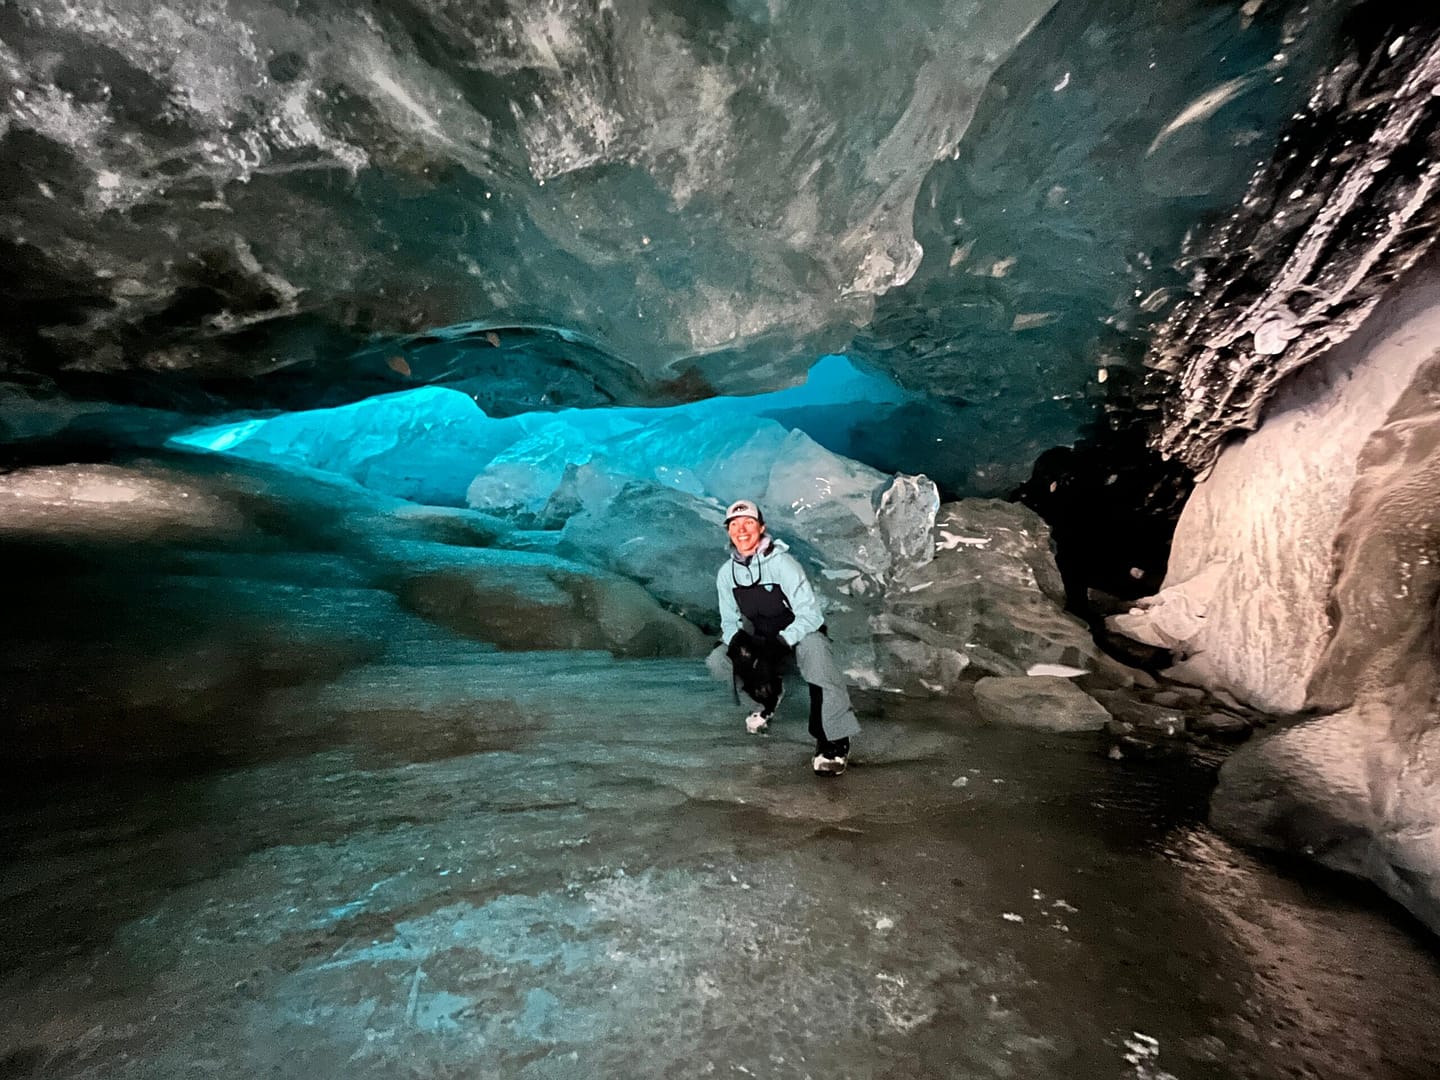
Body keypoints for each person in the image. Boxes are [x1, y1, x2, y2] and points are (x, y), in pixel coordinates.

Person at [709, 499, 860, 776]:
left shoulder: (783, 564)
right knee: (719, 660)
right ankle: (768, 697)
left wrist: (777, 646)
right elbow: (729, 622)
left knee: (817, 654)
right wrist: (739, 646)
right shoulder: (726, 574)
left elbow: (811, 616)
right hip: (761, 638)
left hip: (797, 636)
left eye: (748, 523)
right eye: (734, 524)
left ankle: (834, 738)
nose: (741, 530)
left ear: (761, 527)